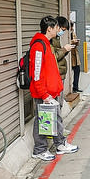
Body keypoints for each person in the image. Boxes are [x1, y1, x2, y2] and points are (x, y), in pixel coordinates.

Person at [29, 15, 78, 161]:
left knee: (54, 119)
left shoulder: (47, 43)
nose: (58, 30)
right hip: (44, 93)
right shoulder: (39, 45)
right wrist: (44, 95)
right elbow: (36, 74)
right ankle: (39, 150)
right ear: (49, 29)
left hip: (51, 91)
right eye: (56, 28)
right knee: (42, 120)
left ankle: (60, 144)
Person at [52, 16, 73, 89]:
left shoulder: (56, 38)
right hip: (56, 73)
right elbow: (53, 57)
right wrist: (64, 49)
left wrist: (66, 50)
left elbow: (59, 53)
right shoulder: (50, 39)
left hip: (60, 72)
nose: (62, 32)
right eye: (62, 30)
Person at [69, 22, 82, 93]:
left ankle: (75, 87)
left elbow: (77, 42)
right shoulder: (65, 34)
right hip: (70, 55)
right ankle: (70, 88)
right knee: (69, 72)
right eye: (71, 26)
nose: (72, 28)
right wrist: (71, 41)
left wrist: (76, 42)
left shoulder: (73, 32)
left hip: (75, 54)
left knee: (77, 70)